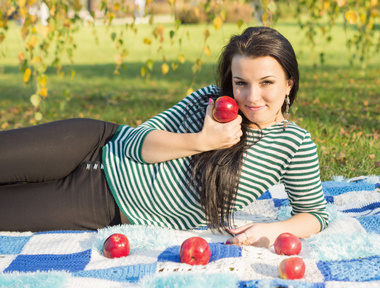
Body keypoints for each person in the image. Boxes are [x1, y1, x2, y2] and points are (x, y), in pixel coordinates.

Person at [0, 26, 328, 247]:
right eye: (241, 82)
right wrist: (204, 140)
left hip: (104, 204)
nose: (251, 97)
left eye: (267, 82)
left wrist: (269, 230)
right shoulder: (210, 102)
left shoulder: (294, 144)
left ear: (289, 83)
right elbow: (132, 144)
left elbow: (314, 214)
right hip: (92, 144)